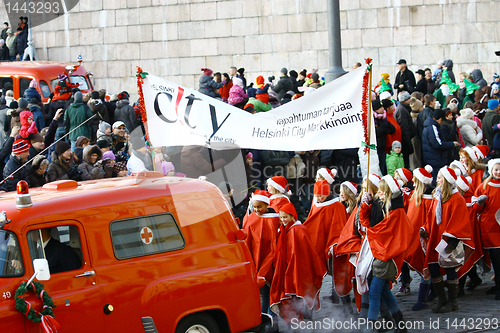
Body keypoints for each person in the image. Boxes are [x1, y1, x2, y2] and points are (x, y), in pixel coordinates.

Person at [358, 175, 411, 333]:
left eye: (382, 190)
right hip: (379, 253)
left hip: (389, 255)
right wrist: (365, 205)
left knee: (374, 292)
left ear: (388, 192)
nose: (379, 192)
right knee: (384, 292)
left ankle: (370, 329)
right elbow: (366, 223)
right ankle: (400, 325)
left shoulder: (396, 211)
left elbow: (378, 231)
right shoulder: (379, 205)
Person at [420, 167, 473, 313]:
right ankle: (442, 299)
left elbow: (459, 221)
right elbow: (431, 216)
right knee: (433, 266)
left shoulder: (457, 199)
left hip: (449, 240)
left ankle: (452, 302)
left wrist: (452, 242)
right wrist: (425, 229)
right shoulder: (437, 196)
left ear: (447, 180)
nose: (437, 180)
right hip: (435, 239)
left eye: (440, 177)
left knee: (449, 268)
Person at [270, 202, 324, 326]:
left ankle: (298, 321)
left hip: (296, 269)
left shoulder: (298, 230)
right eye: (281, 218)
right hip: (288, 268)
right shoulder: (285, 229)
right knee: (291, 297)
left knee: (296, 296)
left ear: (293, 216)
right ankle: (295, 321)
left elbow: (303, 252)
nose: (283, 220)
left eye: (286, 217)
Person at [305, 180, 348, 303]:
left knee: (337, 272)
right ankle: (310, 305)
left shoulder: (337, 206)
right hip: (319, 243)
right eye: (317, 196)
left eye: (321, 195)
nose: (319, 198)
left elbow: (339, 225)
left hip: (333, 245)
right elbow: (311, 224)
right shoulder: (316, 205)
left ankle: (344, 303)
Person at [242, 190, 279, 317]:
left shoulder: (275, 219)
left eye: (260, 207)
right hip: (256, 260)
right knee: (263, 294)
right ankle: (264, 319)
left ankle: (271, 319)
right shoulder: (252, 217)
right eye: (255, 207)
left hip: (271, 260)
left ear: (266, 205)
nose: (257, 210)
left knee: (270, 293)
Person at [474, 158, 500, 300]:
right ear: (491, 171)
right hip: (489, 227)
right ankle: (498, 284)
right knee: (495, 258)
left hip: (498, 226)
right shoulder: (484, 186)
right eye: (496, 170)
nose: (498, 172)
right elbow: (476, 207)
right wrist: (480, 202)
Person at [422, 109, 459, 178]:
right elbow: (438, 144)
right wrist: (452, 144)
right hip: (435, 159)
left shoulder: (429, 126)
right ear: (440, 119)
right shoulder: (432, 127)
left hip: (432, 158)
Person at [373, 99, 395, 175]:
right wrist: (383, 128)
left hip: (383, 147)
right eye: (380, 107)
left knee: (383, 168)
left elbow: (392, 130)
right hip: (376, 148)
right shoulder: (373, 120)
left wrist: (386, 124)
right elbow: (375, 132)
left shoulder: (383, 118)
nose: (383, 109)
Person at [394, 91, 415, 168]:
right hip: (404, 141)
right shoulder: (401, 110)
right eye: (408, 98)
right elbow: (404, 127)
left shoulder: (404, 109)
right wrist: (408, 143)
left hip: (405, 140)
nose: (410, 100)